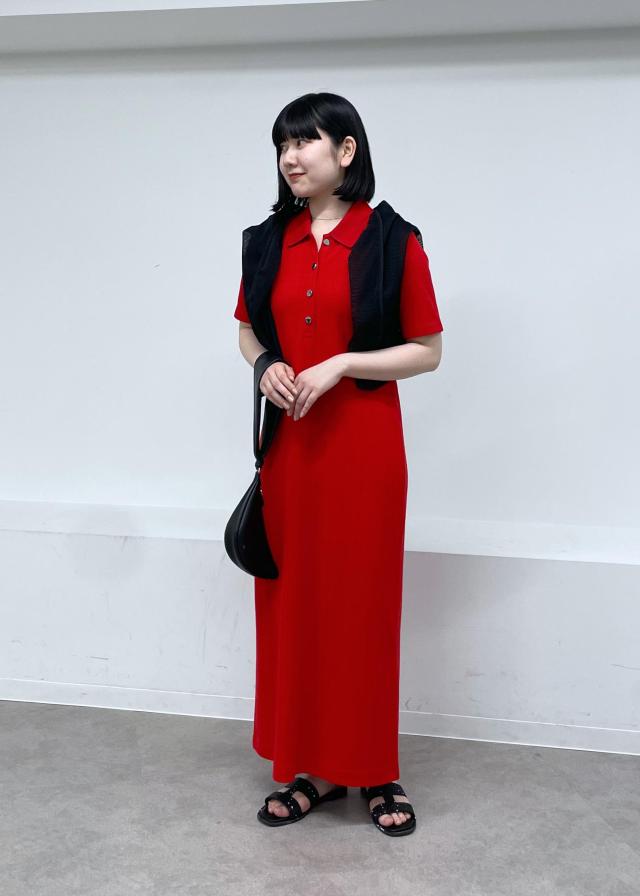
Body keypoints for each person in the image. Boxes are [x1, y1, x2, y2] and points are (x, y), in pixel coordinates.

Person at [233, 92, 443, 836]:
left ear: (346, 150)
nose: (291, 157)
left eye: (306, 142)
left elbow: (427, 351)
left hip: (364, 452)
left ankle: (374, 769)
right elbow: (246, 330)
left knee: (362, 608)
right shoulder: (267, 240)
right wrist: (267, 364)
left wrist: (345, 363)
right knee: (294, 609)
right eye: (283, 145)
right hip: (291, 454)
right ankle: (311, 769)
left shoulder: (392, 240)